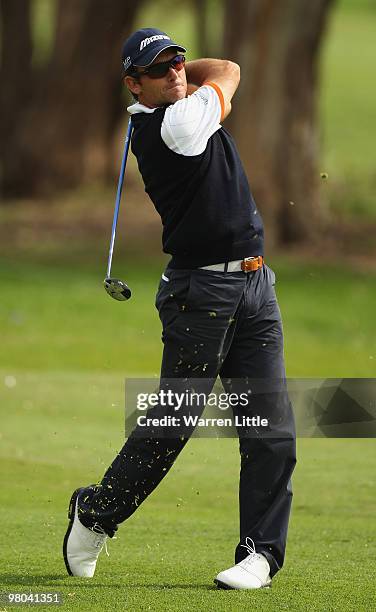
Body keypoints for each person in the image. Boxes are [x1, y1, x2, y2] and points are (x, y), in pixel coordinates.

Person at [63, 27, 296, 590]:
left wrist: (183, 70)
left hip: (254, 284)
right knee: (173, 425)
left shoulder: (176, 100)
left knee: (270, 427)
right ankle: (95, 514)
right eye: (160, 68)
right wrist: (197, 76)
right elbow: (233, 68)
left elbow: (216, 71)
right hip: (202, 296)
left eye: (178, 62)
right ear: (132, 84)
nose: (174, 72)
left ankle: (260, 554)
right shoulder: (176, 124)